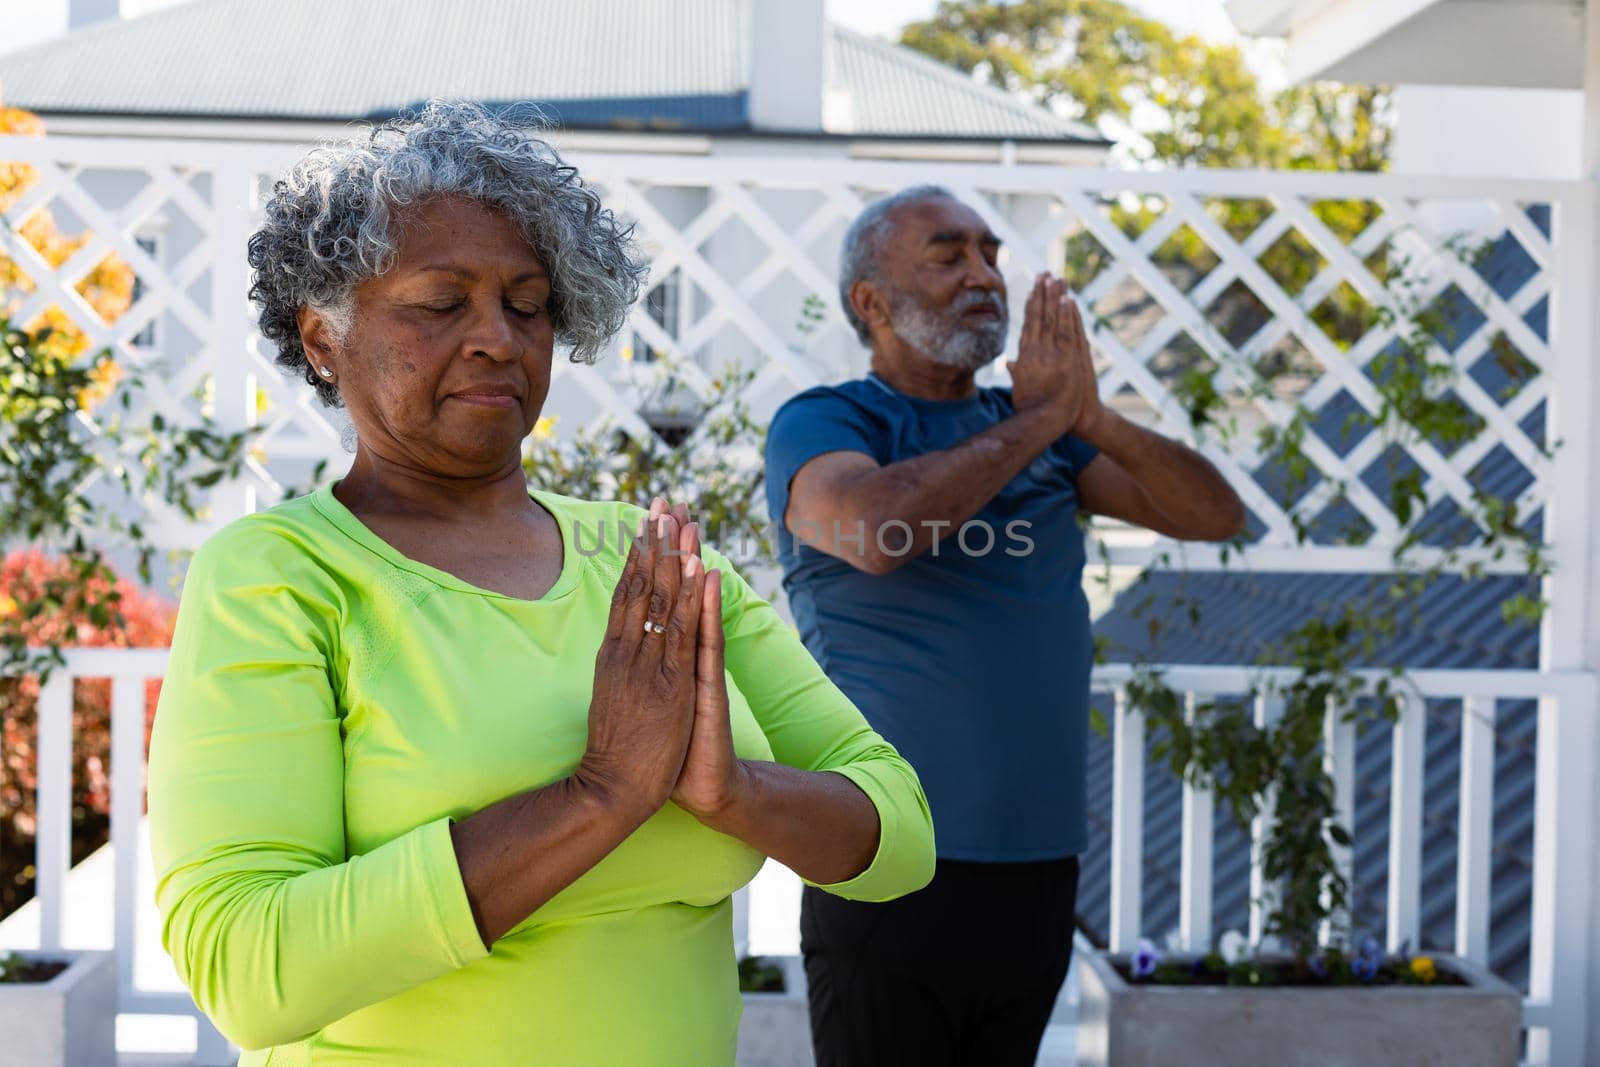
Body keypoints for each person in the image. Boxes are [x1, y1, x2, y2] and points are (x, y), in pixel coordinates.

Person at [146, 102, 934, 1067]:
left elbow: (899, 830)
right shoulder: (281, 576)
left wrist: (734, 791)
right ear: (322, 337)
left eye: (528, 304)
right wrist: (600, 794)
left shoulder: (653, 566)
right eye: (442, 303)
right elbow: (248, 969)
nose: (497, 338)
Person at [763, 185, 1247, 1067]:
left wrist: (1088, 418)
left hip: (1036, 859)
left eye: (991, 254)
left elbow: (1214, 513)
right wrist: (1041, 423)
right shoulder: (831, 420)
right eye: (949, 255)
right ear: (870, 301)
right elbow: (875, 532)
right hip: (886, 851)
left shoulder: (1047, 438)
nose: (984, 275)